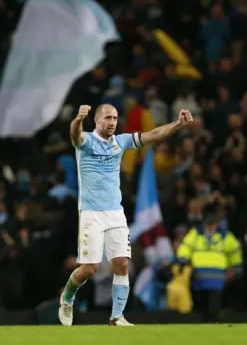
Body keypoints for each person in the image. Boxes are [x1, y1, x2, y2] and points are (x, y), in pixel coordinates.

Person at [59, 103, 193, 326]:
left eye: (115, 118)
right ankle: (67, 298)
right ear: (97, 121)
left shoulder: (121, 141)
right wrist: (77, 119)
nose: (112, 122)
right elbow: (74, 135)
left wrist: (178, 125)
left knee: (121, 263)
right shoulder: (86, 142)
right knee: (90, 268)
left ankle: (117, 316)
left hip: (115, 213)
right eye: (108, 118)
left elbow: (153, 134)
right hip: (91, 213)